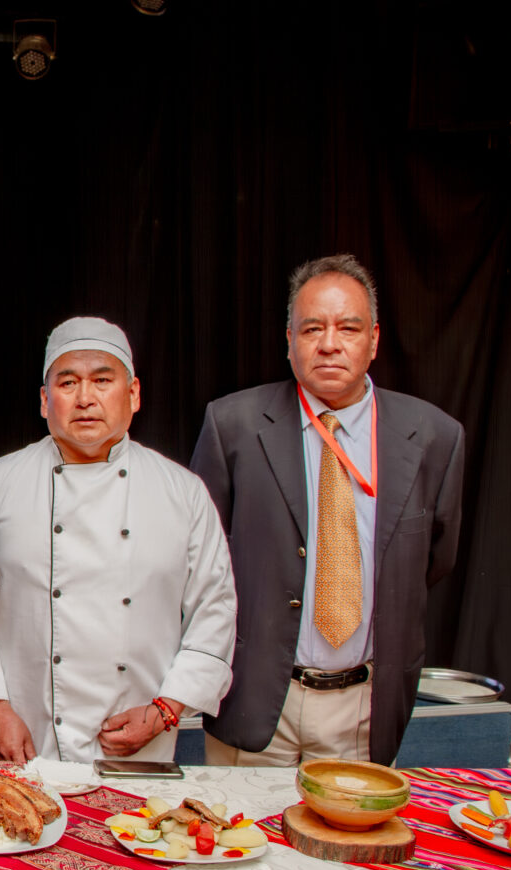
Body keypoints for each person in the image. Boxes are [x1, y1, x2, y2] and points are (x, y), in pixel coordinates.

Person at [189, 253, 464, 766]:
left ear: (375, 339)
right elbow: (201, 558)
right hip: (255, 696)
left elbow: (435, 558)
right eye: (312, 328)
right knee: (241, 842)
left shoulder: (433, 437)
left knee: (345, 845)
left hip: (364, 706)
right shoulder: (234, 426)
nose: (330, 343)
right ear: (288, 340)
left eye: (348, 328)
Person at [0, 318, 236, 763]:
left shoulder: (182, 491)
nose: (85, 398)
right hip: (20, 737)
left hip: (138, 740)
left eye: (103, 380)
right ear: (45, 401)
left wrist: (166, 710)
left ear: (133, 394)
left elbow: (214, 611)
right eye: (68, 382)